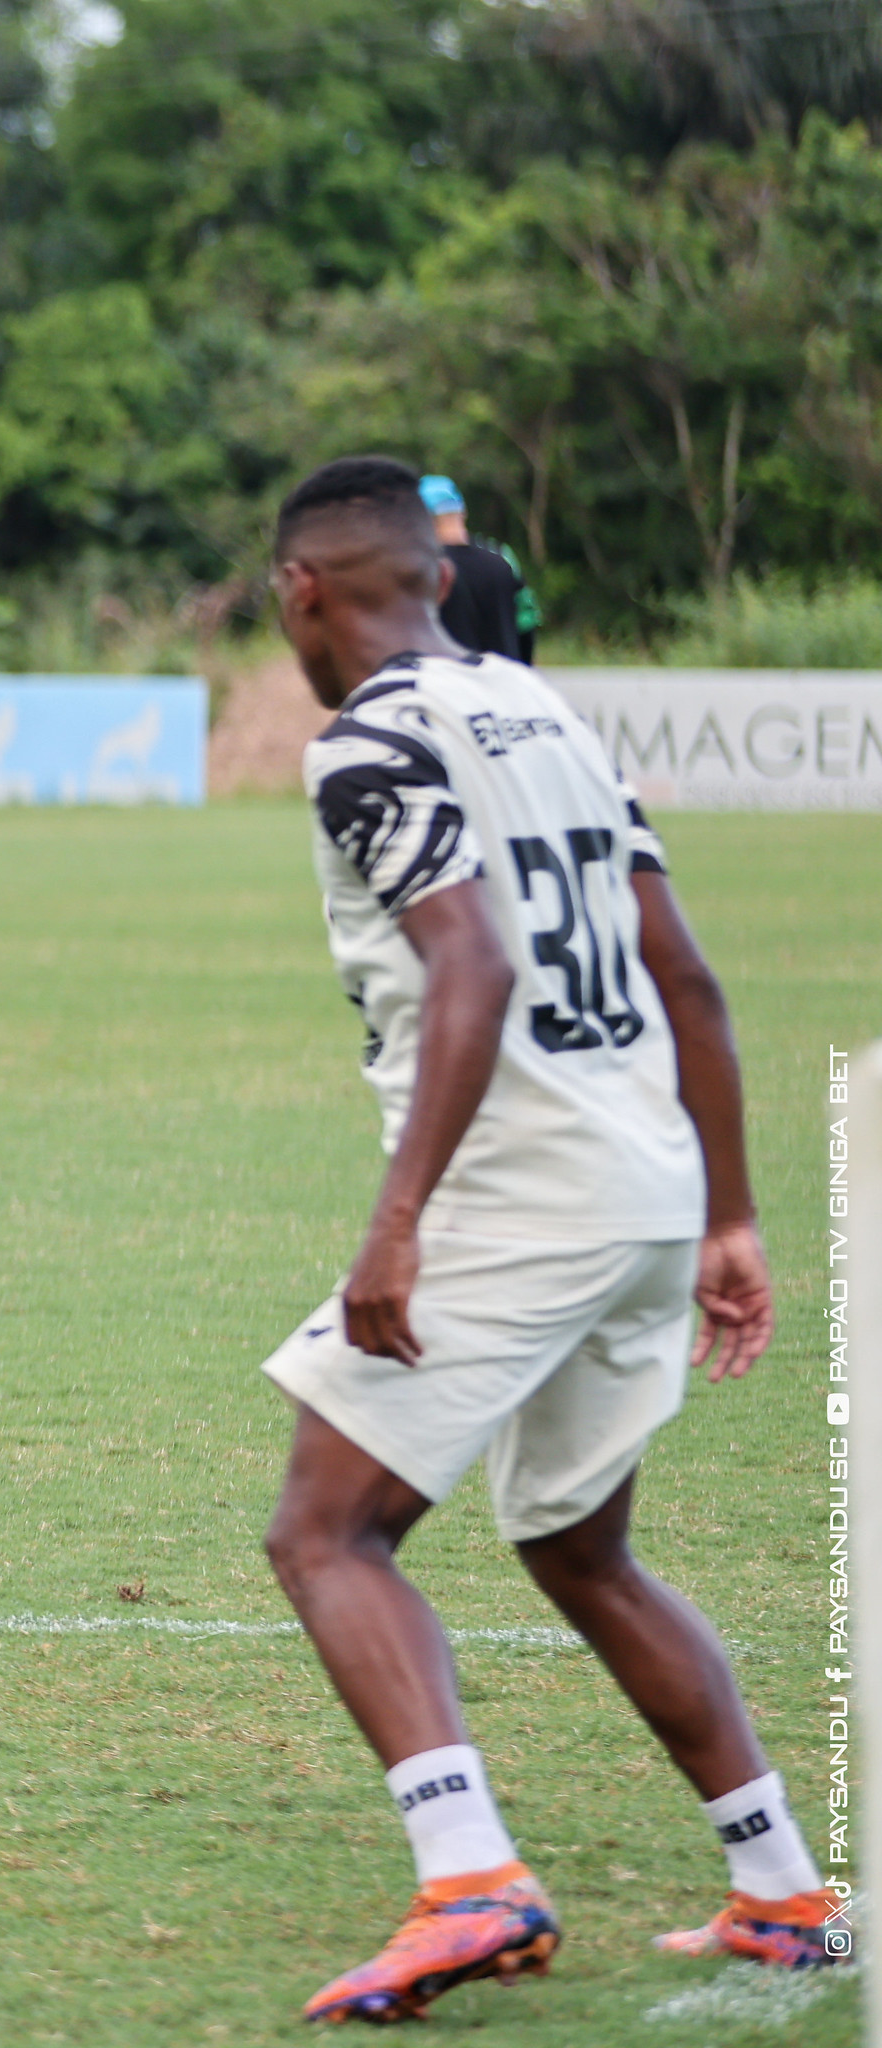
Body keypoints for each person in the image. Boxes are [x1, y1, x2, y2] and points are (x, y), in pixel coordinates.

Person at [258, 455, 848, 2024]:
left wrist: (397, 1227)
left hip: (521, 1193)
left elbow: (472, 969)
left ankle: (471, 1881)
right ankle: (786, 1892)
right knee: (581, 1548)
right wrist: (728, 1212)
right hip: (646, 1180)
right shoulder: (549, 715)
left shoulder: (368, 739)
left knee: (325, 1533)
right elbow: (688, 974)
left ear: (301, 591)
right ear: (433, 576)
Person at [419, 474, 541, 664]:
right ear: (463, 512)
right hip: (502, 675)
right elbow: (527, 621)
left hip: (446, 676)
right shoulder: (503, 556)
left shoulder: (423, 566)